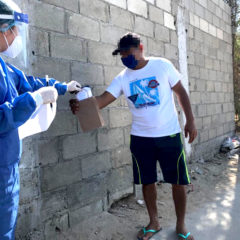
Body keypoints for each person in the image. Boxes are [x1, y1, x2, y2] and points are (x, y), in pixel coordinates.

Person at [70, 32, 197, 240]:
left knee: (178, 181)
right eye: (121, 55)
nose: (125, 58)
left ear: (141, 48)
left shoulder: (162, 66)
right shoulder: (123, 77)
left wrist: (190, 120)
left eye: (128, 53)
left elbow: (181, 92)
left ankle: (181, 225)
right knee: (147, 181)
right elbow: (101, 101)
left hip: (169, 136)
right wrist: (81, 105)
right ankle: (154, 222)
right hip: (140, 139)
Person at [0, 1, 81, 239]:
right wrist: (31, 102)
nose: (16, 37)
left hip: (6, 166)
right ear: (3, 29)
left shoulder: (4, 67)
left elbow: (28, 82)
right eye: (14, 30)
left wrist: (62, 87)